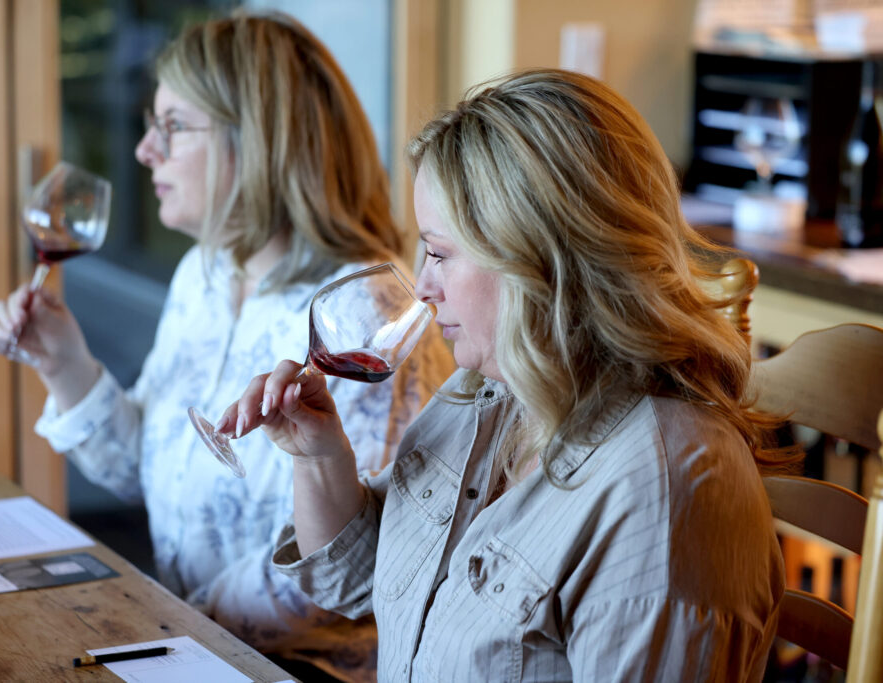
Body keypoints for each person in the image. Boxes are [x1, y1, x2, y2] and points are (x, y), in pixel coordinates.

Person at [221, 69, 794, 681]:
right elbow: (359, 580)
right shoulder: (490, 394)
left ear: (542, 258)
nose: (424, 287)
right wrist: (318, 456)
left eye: (439, 252)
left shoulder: (667, 496)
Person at [0, 11, 453, 682]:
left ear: (257, 141)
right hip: (188, 650)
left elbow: (348, 566)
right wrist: (63, 362)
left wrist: (162, 623)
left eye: (173, 126)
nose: (144, 149)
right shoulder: (204, 276)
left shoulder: (368, 317)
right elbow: (147, 469)